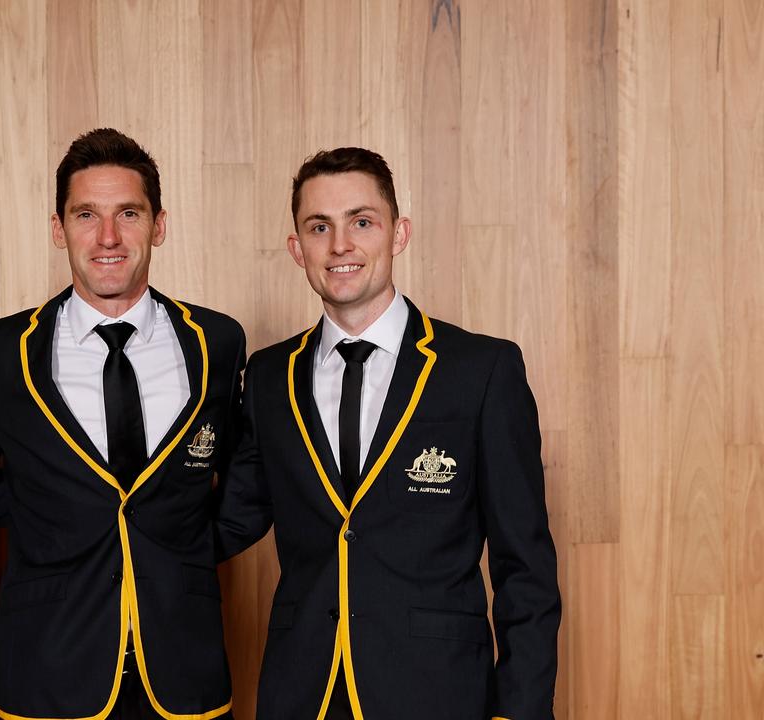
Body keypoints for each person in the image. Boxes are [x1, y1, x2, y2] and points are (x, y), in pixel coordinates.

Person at [216, 148, 561, 719]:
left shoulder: (481, 370)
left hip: (436, 694)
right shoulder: (271, 376)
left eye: (362, 221)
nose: (341, 245)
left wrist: (520, 712)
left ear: (398, 234)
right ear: (297, 248)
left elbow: (524, 567)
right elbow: (232, 520)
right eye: (319, 227)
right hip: (302, 693)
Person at [0, 129, 245, 719]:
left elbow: (246, 474)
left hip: (184, 664)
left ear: (158, 225)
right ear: (58, 228)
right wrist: (45, 518)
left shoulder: (217, 340)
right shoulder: (1, 350)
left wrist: (183, 549)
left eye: (128, 214)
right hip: (48, 665)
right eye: (86, 214)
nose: (107, 237)